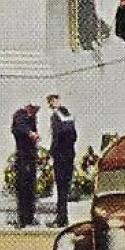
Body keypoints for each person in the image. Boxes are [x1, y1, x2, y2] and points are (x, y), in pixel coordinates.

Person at [47, 94, 78, 227]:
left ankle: (61, 219)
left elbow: (56, 137)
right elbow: (74, 136)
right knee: (65, 189)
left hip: (60, 156)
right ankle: (63, 218)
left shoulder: (55, 117)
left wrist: (51, 153)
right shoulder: (69, 116)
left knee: (61, 189)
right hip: (69, 155)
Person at [11, 103, 41, 228]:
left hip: (31, 156)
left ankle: (30, 216)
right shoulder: (20, 116)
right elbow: (20, 128)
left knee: (31, 188)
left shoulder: (32, 118)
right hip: (23, 157)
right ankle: (22, 219)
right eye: (34, 109)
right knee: (22, 188)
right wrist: (30, 133)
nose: (36, 112)